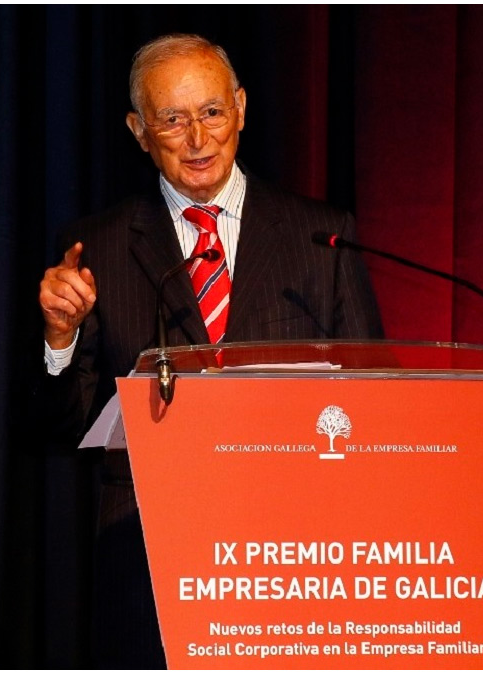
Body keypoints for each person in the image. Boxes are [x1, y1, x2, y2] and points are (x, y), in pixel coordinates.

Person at [37, 33, 383, 668]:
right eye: (172, 119)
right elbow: (64, 424)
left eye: (212, 112)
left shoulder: (322, 237)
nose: (197, 138)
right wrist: (59, 340)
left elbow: (367, 404)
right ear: (139, 131)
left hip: (290, 556)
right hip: (147, 554)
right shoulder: (97, 247)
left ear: (242, 109)